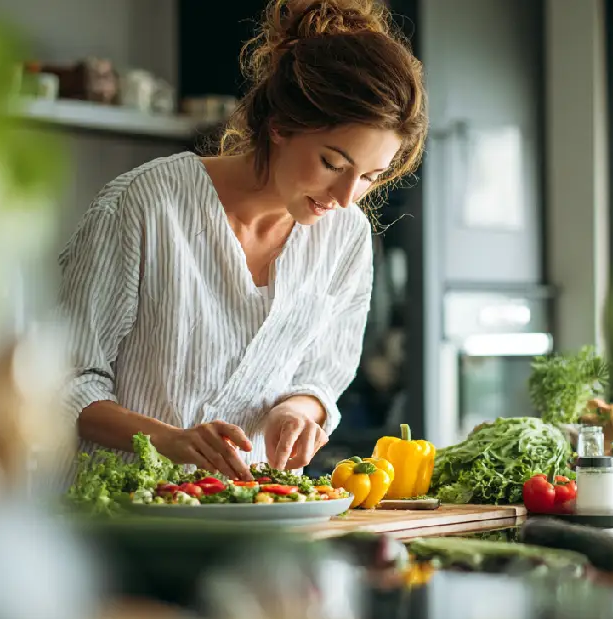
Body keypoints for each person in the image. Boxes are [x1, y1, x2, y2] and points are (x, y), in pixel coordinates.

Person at [55, 0, 427, 482]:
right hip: (115, 518)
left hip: (245, 513)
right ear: (279, 127)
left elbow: (321, 375)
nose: (344, 195)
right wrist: (168, 439)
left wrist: (298, 410)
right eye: (333, 164)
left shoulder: (347, 237)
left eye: (370, 177)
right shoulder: (145, 205)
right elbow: (66, 383)